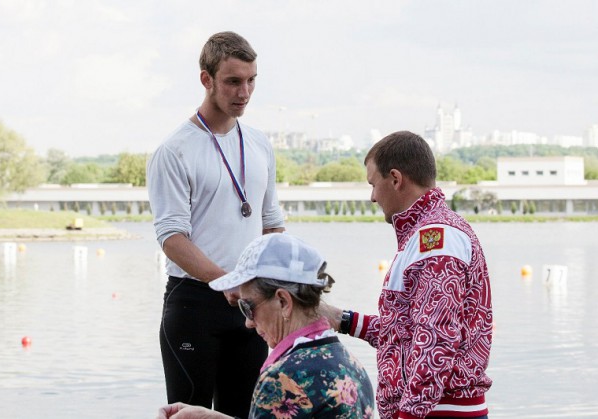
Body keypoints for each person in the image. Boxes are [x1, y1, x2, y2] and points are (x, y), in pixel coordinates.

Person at [146, 31, 285, 418]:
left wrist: (279, 282)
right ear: (206, 79)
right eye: (233, 81)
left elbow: (271, 223)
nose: (245, 91)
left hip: (249, 305)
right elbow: (172, 238)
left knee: (245, 414)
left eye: (251, 80)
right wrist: (229, 280)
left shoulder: (259, 144)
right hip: (194, 306)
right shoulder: (174, 150)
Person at [322, 131, 493, 419]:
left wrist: (408, 416)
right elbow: (406, 333)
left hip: (439, 413)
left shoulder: (436, 240)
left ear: (396, 179)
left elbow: (435, 340)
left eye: (373, 184)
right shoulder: (424, 235)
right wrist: (342, 319)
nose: (373, 197)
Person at [157, 233, 375, 419]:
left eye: (248, 307)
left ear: (283, 302)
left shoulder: (283, 380)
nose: (248, 322)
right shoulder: (349, 363)